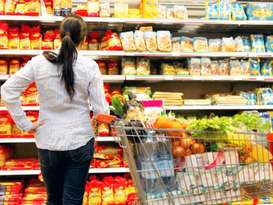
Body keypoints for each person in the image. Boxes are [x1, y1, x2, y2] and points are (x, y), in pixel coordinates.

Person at [1, 15, 108, 205]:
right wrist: (100, 120)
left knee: (53, 199)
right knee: (73, 201)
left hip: (47, 141)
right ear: (83, 40)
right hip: (80, 140)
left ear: (59, 36)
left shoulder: (39, 62)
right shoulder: (90, 66)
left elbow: (8, 90)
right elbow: (101, 110)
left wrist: (24, 123)